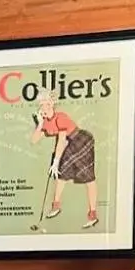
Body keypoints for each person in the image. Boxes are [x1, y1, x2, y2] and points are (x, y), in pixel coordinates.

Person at [31, 89, 99, 227]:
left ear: (52, 103)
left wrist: (56, 162)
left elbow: (62, 140)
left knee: (88, 177)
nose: (45, 106)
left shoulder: (60, 117)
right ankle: (56, 207)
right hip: (67, 145)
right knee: (61, 176)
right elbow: (34, 140)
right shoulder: (45, 122)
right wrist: (39, 125)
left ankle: (93, 214)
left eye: (47, 102)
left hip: (80, 141)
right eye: (42, 103)